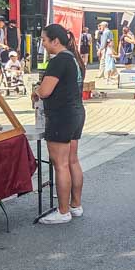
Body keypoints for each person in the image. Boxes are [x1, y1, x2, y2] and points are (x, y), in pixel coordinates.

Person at [33, 23, 86, 225]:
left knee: (60, 164)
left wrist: (36, 90)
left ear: (55, 41)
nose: (43, 44)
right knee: (72, 160)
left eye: (45, 40)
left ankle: (63, 211)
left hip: (61, 115)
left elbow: (45, 91)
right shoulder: (73, 58)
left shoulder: (58, 61)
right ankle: (75, 205)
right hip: (76, 112)